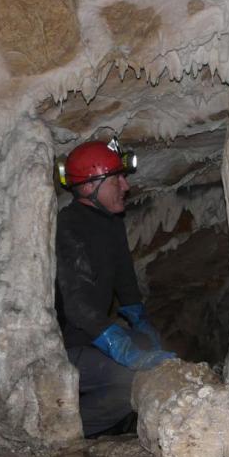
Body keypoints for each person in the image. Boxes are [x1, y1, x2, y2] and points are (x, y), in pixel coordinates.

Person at [55, 138, 175, 436]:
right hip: (62, 348)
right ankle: (61, 433)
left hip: (89, 339)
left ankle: (109, 426)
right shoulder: (69, 227)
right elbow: (78, 307)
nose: (126, 185)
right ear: (88, 187)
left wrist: (140, 321)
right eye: (116, 178)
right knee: (128, 383)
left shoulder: (110, 223)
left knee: (149, 351)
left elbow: (125, 280)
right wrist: (119, 345)